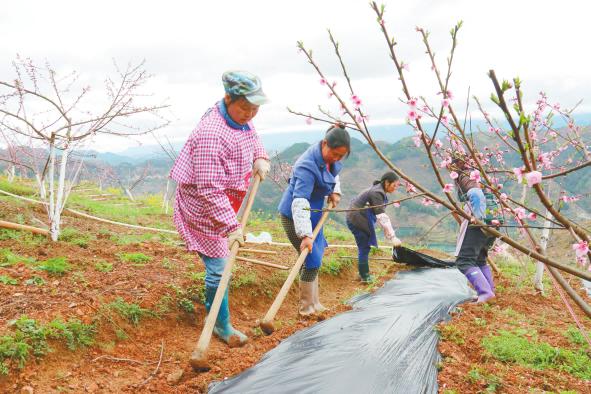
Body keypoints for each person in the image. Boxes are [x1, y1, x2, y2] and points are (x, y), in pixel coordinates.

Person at [170, 70, 271, 347]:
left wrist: (260, 155)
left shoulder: (240, 119)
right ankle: (220, 324)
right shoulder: (210, 134)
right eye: (244, 107)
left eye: (255, 108)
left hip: (224, 203)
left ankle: (218, 319)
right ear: (228, 98)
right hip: (202, 208)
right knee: (218, 267)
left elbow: (251, 134)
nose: (250, 114)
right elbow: (209, 189)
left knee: (221, 261)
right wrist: (232, 227)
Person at [278, 124, 350, 315]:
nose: (335, 159)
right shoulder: (307, 165)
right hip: (296, 217)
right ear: (325, 144)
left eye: (340, 157)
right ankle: (306, 309)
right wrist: (305, 235)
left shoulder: (329, 159)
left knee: (315, 259)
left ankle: (315, 304)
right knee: (310, 260)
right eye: (334, 154)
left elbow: (334, 175)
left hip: (314, 214)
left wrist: (334, 192)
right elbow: (300, 200)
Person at [450, 154, 496, 303]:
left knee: (464, 261)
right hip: (494, 219)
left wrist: (477, 218)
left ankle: (485, 293)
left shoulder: (464, 175)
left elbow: (476, 194)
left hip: (479, 220)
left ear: (455, 165)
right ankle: (489, 291)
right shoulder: (477, 173)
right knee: (479, 259)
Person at [346, 172, 402, 283]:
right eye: (394, 185)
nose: (395, 188)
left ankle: (362, 274)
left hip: (359, 217)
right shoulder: (377, 192)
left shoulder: (378, 191)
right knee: (364, 247)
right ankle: (365, 276)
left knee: (364, 247)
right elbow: (381, 216)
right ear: (386, 182)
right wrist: (392, 237)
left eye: (397, 186)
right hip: (358, 219)